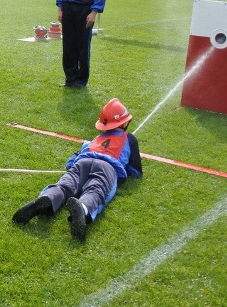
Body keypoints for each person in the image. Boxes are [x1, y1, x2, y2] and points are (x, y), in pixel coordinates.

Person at [12, 98, 142, 241]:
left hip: (83, 162)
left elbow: (71, 162)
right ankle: (83, 207)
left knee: (65, 185)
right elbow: (136, 171)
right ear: (123, 122)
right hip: (107, 168)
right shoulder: (129, 138)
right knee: (96, 191)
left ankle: (48, 198)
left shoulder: (95, 139)